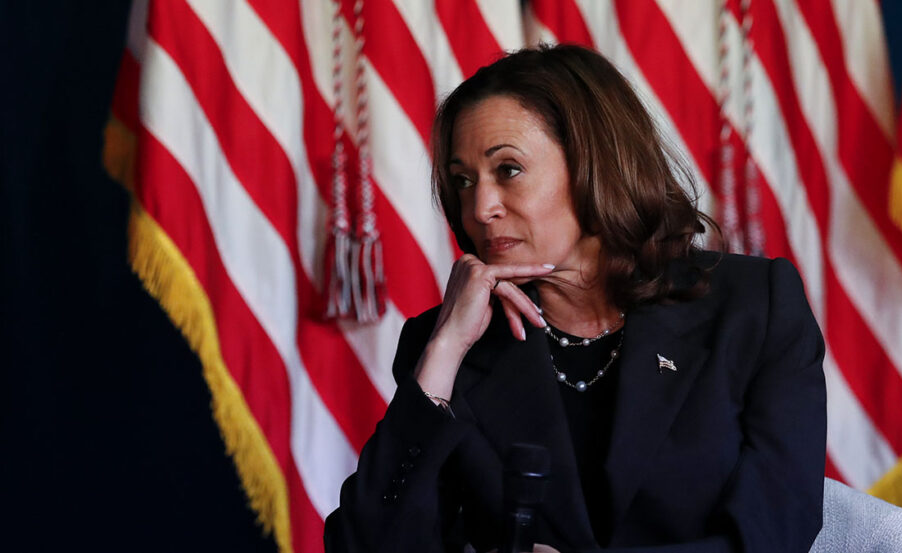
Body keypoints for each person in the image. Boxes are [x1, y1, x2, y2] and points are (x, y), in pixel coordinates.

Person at [324, 44, 826, 553]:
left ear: (596, 163)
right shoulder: (446, 345)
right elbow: (364, 544)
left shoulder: (754, 306)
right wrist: (445, 349)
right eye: (463, 181)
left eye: (508, 170)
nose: (480, 207)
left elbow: (776, 531)